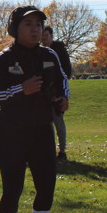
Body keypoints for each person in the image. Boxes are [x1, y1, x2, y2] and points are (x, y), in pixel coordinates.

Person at [0, 6, 69, 213]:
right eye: (28, 24)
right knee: (13, 188)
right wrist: (21, 89)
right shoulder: (4, 58)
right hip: (11, 133)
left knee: (47, 186)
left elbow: (63, 81)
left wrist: (63, 98)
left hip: (42, 130)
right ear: (15, 28)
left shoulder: (50, 55)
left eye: (38, 25)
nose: (35, 29)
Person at [42, 26, 73, 160]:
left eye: (46, 35)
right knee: (45, 124)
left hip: (57, 93)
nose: (44, 38)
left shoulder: (59, 51)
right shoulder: (39, 52)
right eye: (42, 36)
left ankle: (62, 151)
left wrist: (62, 93)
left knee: (58, 122)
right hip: (43, 94)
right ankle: (48, 150)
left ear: (51, 36)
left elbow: (66, 72)